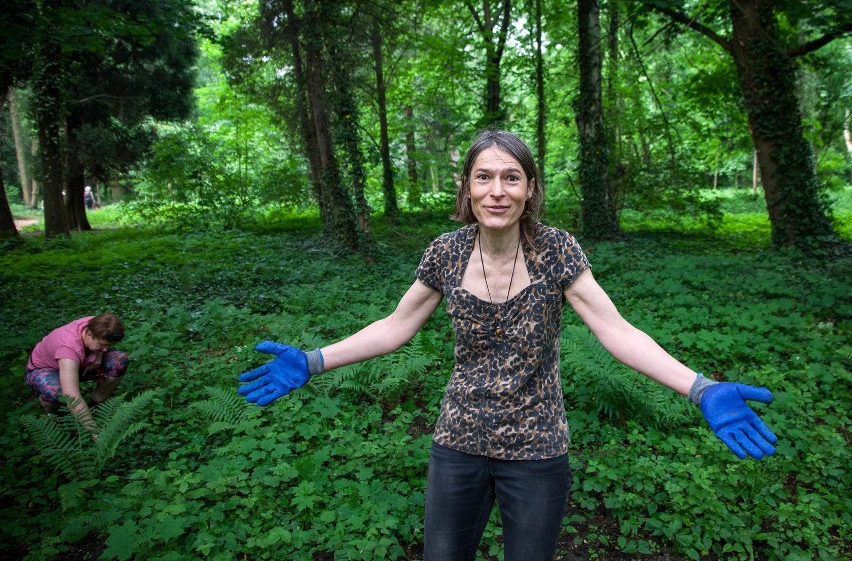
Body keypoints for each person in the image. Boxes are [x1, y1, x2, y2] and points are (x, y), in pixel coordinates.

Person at [237, 130, 778, 561]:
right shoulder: (445, 253)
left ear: (530, 189)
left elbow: (616, 331)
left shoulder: (556, 250)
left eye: (512, 178)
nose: (498, 191)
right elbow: (396, 326)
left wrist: (700, 387)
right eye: (485, 177)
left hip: (538, 448)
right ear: (467, 189)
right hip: (458, 441)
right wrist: (314, 359)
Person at [25, 314, 128, 435]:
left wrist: (98, 356)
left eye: (109, 346)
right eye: (102, 345)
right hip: (45, 369)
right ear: (89, 334)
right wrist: (95, 433)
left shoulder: (99, 325)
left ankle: (97, 402)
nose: (106, 349)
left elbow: (102, 344)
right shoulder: (67, 348)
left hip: (80, 363)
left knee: (119, 360)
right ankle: (51, 413)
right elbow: (72, 398)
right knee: (56, 391)